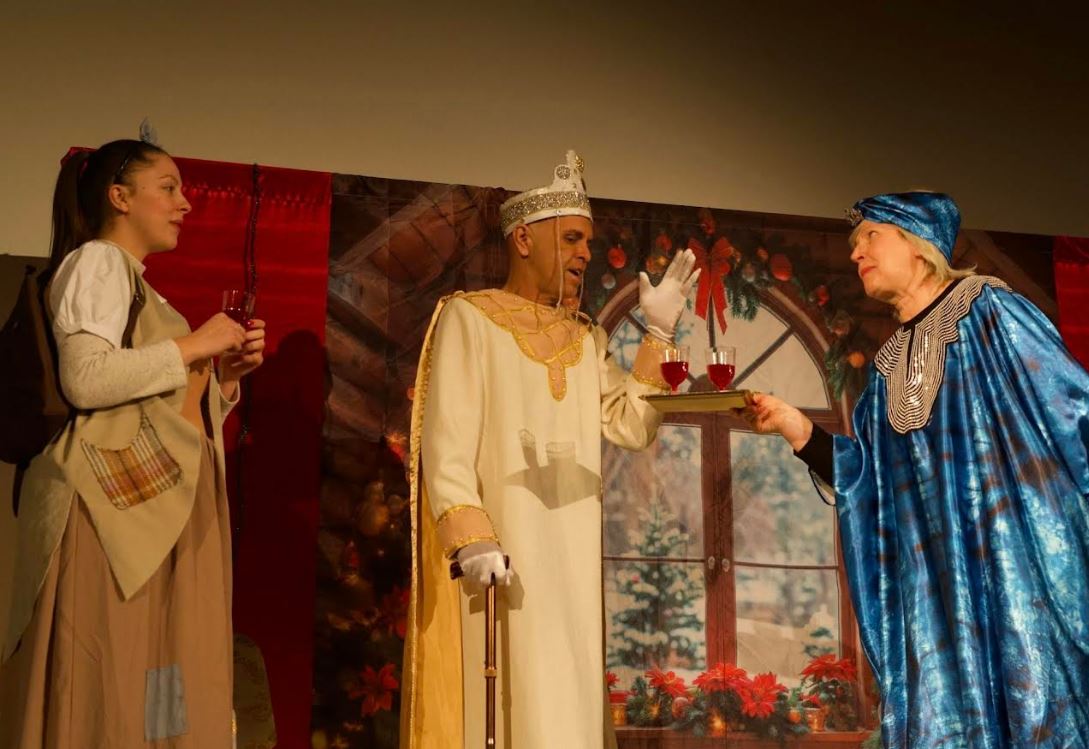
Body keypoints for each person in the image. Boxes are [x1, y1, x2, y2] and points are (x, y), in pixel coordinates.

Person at [741, 191, 1089, 747]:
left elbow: (1073, 411)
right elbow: (868, 484)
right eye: (854, 244)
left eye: (870, 237)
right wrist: (795, 427)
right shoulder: (885, 375)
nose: (856, 253)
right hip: (937, 604)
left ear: (919, 246)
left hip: (1015, 580)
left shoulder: (991, 313)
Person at [399, 151, 700, 749]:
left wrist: (659, 334)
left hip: (571, 568)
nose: (585, 252)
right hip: (499, 560)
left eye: (588, 240)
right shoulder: (470, 318)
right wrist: (471, 537)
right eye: (571, 238)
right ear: (523, 239)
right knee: (506, 703)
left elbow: (632, 425)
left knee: (568, 706)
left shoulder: (585, 338)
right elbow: (446, 442)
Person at [0, 138, 266, 747]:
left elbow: (157, 406)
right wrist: (196, 345)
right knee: (111, 675)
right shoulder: (98, 262)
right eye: (168, 188)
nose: (185, 204)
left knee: (160, 667)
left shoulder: (137, 285)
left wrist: (221, 381)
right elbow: (87, 379)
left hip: (151, 513)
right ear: (119, 198)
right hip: (112, 515)